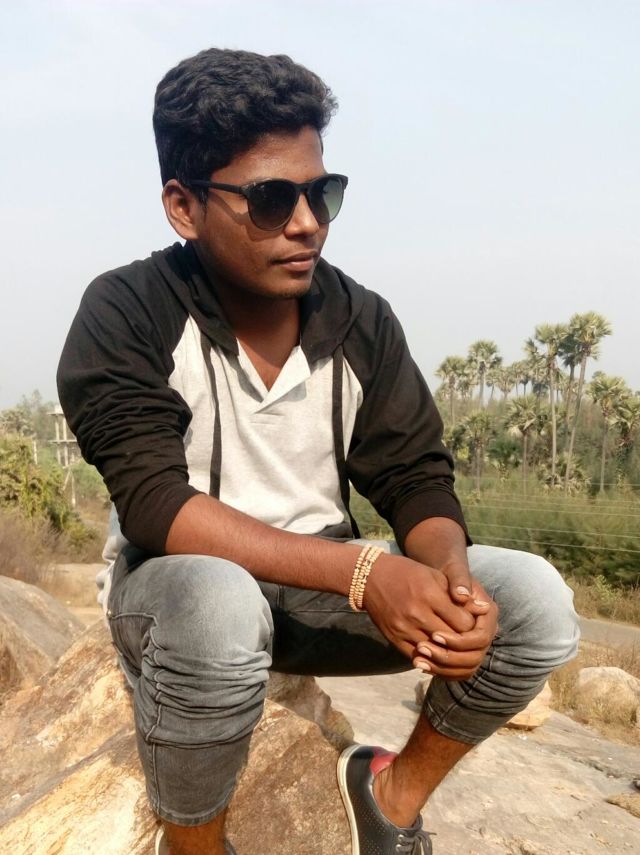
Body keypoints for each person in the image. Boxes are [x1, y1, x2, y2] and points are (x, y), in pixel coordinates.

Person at [57, 47, 580, 855]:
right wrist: (365, 573)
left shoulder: (360, 319)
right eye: (272, 199)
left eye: (321, 192)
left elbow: (415, 477)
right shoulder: (127, 311)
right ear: (184, 206)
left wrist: (451, 577)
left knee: (535, 601)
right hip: (181, 595)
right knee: (218, 605)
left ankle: (388, 799)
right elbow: (157, 507)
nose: (307, 222)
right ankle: (192, 845)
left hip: (322, 594)